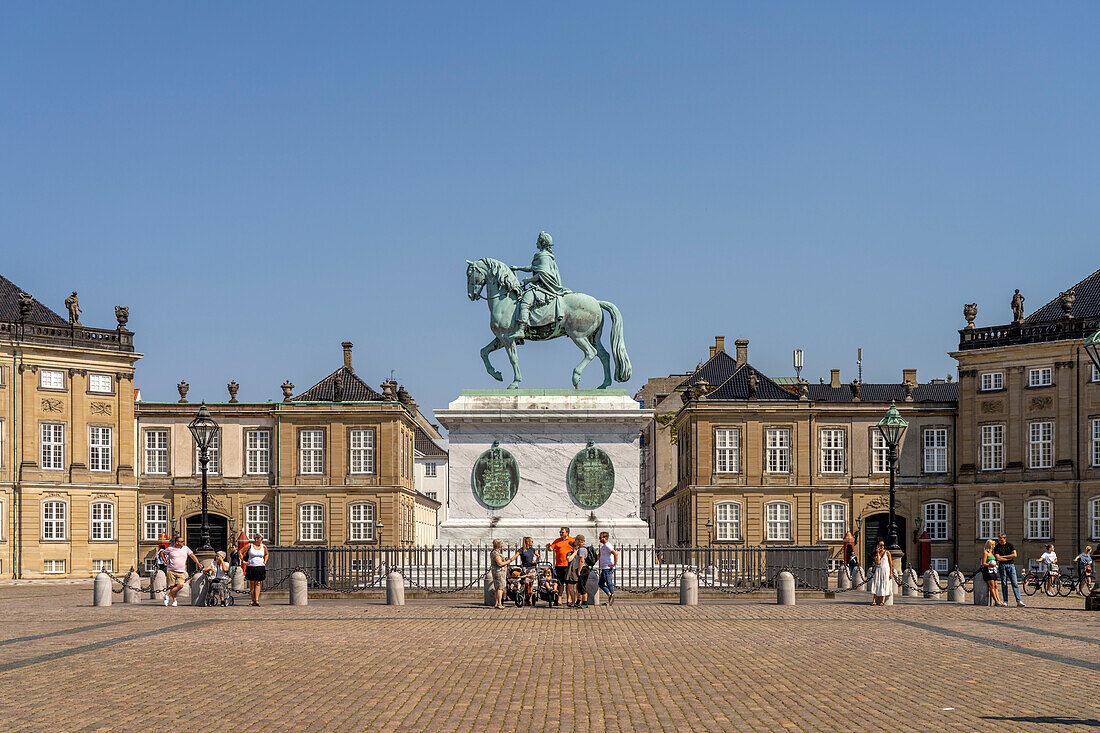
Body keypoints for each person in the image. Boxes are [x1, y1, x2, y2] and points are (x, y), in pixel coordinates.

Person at [163, 536, 202, 607]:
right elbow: (162, 553)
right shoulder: (170, 549)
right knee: (172, 587)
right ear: (177, 542)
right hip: (171, 570)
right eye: (182, 541)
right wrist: (165, 561)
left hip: (181, 571)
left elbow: (192, 556)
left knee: (180, 586)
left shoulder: (185, 548)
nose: (183, 542)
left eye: (183, 541)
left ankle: (167, 596)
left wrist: (198, 563)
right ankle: (174, 601)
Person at [994, 533, 1024, 607]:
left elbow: (1014, 555)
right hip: (1002, 565)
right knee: (1004, 584)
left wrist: (1003, 557)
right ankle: (1005, 601)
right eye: (999, 540)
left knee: (1014, 583)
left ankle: (1018, 600)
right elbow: (997, 558)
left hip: (1011, 565)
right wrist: (1008, 557)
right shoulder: (997, 547)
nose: (1000, 541)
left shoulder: (1010, 545)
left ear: (1005, 539)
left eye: (1001, 540)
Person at [489, 539, 518, 609]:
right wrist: (509, 561)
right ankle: (499, 603)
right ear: (498, 545)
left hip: (497, 571)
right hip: (499, 572)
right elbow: (500, 563)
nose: (501, 545)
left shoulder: (495, 552)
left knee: (497, 588)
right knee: (500, 588)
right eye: (501, 544)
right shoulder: (495, 553)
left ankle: (496, 603)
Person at [244, 533, 269, 607]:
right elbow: (240, 552)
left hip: (260, 566)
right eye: (261, 539)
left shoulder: (263, 546)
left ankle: (257, 600)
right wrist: (244, 561)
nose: (262, 541)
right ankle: (252, 599)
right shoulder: (249, 546)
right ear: (256, 539)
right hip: (251, 566)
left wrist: (265, 561)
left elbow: (267, 554)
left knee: (258, 583)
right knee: (252, 583)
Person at [567, 535, 590, 609]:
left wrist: (579, 570)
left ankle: (585, 603)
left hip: (583, 569)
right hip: (581, 569)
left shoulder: (582, 549)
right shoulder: (581, 549)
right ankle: (578, 601)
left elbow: (581, 560)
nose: (575, 542)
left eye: (576, 541)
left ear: (579, 541)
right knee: (579, 586)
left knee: (582, 586)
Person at [547, 527, 574, 592]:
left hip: (568, 565)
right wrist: (548, 547)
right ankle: (559, 600)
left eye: (562, 532)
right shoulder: (557, 540)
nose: (560, 533)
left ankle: (569, 600)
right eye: (560, 532)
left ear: (567, 533)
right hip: (559, 565)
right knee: (560, 583)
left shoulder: (572, 540)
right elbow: (551, 548)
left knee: (568, 583)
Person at [981, 540, 1005, 607]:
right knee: (992, 586)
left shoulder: (992, 552)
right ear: (990, 545)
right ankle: (996, 601)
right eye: (993, 545)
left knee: (996, 586)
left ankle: (998, 600)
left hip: (993, 570)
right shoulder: (986, 553)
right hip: (988, 571)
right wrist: (990, 565)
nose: (994, 546)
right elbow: (983, 563)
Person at [869, 539, 893, 606]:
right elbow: (878, 562)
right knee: (876, 584)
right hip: (878, 570)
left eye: (883, 545)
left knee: (884, 584)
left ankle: (883, 600)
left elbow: (890, 563)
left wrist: (890, 573)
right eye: (880, 545)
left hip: (885, 570)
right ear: (878, 546)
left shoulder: (887, 552)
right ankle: (874, 600)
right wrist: (877, 553)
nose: (882, 546)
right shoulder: (876, 553)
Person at [597, 532, 618, 606]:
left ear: (605, 538)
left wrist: (614, 564)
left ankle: (611, 596)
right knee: (601, 583)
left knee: (609, 583)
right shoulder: (604, 546)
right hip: (604, 567)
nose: (599, 539)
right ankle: (610, 595)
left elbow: (615, 553)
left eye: (601, 537)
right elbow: (599, 555)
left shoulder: (608, 545)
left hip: (607, 567)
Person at [518, 536, 540, 605]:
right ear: (528, 542)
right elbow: (516, 555)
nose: (533, 543)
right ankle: (526, 596)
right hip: (525, 568)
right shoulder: (522, 550)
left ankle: (529, 599)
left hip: (532, 567)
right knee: (526, 583)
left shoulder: (532, 549)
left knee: (531, 584)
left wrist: (535, 561)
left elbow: (538, 555)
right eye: (531, 541)